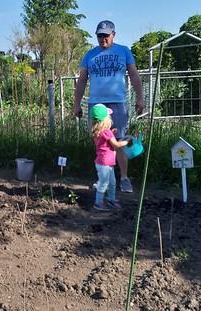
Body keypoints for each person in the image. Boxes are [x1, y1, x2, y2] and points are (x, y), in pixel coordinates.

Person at [74, 20, 144, 193]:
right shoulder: (90, 55)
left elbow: (134, 75)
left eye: (106, 35)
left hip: (117, 102)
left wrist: (140, 99)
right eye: (99, 35)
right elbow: (82, 80)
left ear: (114, 34)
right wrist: (76, 103)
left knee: (119, 140)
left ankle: (125, 178)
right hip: (96, 104)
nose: (102, 38)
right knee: (101, 143)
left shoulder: (124, 51)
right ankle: (105, 179)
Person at [90, 105, 130, 211]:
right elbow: (116, 145)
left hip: (105, 163)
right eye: (108, 116)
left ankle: (111, 199)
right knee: (104, 183)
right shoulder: (107, 133)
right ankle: (98, 203)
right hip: (105, 164)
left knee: (112, 182)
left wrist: (112, 134)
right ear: (105, 120)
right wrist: (125, 142)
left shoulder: (98, 132)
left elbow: (105, 141)